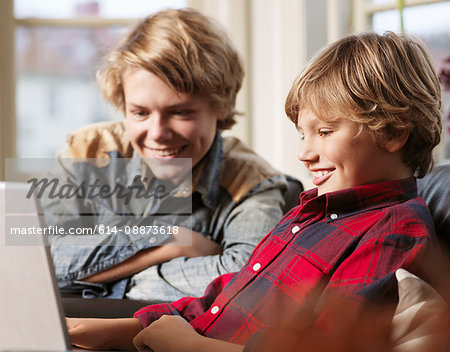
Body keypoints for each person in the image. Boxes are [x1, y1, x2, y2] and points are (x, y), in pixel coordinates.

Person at [66, 31, 442, 352]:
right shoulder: (308, 214)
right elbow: (227, 296)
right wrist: (120, 329)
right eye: (302, 134)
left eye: (325, 132)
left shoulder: (393, 232)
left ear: (393, 133)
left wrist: (189, 346)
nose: (304, 154)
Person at [39, 8, 292, 301]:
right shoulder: (86, 151)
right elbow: (36, 261)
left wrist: (108, 283)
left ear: (221, 105)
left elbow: (249, 283)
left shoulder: (252, 182)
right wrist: (172, 241)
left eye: (180, 112)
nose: (157, 132)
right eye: (140, 113)